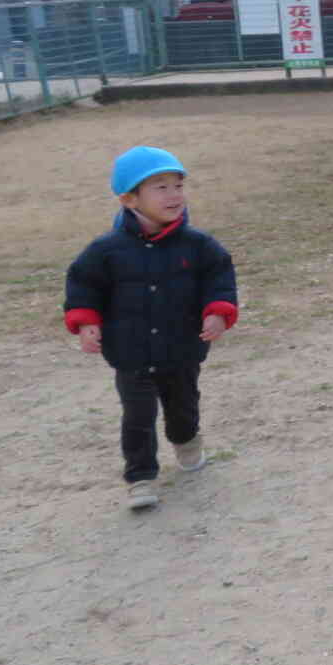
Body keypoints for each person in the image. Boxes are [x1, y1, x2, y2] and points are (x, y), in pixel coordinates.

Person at [63, 146, 239, 511]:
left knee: (182, 406)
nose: (174, 195)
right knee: (138, 416)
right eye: (160, 187)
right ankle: (140, 476)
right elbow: (83, 285)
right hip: (131, 351)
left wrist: (218, 312)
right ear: (129, 199)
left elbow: (219, 278)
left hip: (181, 347)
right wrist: (86, 323)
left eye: (178, 185)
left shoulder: (199, 245)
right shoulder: (106, 250)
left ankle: (187, 440)